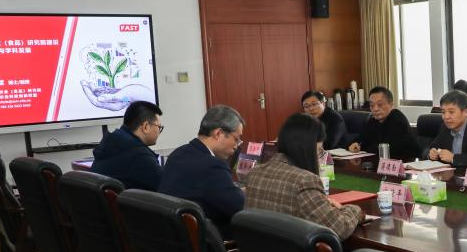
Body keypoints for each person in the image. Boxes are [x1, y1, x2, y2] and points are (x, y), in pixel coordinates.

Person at [245, 113, 362, 240]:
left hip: (256, 251)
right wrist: (353, 210)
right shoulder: (304, 181)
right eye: (319, 151)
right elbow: (339, 228)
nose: (320, 157)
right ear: (307, 149)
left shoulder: (255, 172)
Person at [158, 105, 246, 234]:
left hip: (173, 235)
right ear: (218, 133)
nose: (236, 146)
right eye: (236, 139)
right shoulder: (213, 166)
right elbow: (240, 208)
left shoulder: (178, 153)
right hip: (206, 239)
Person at [91, 100, 164, 191]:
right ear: (146, 127)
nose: (159, 131)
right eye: (159, 127)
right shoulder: (139, 155)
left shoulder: (111, 142)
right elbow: (166, 187)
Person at [348, 86, 419, 161]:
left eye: (380, 104)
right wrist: (353, 145)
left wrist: (363, 146)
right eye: (372, 105)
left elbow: (388, 149)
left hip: (408, 163)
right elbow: (358, 140)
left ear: (391, 105)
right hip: (383, 163)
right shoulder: (372, 120)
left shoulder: (397, 119)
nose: (375, 109)